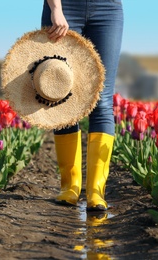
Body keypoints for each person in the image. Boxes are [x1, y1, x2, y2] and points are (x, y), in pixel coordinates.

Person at [42, 0, 124, 211]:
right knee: (62, 96)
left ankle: (96, 191)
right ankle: (70, 186)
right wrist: (56, 9)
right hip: (64, 8)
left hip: (108, 9)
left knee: (102, 100)